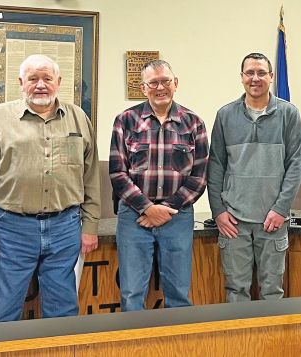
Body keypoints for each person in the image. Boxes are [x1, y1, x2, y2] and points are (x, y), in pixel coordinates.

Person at [0, 54, 100, 322]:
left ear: (58, 82)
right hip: (11, 228)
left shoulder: (78, 118)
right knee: (3, 311)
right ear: (21, 82)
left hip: (65, 226)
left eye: (47, 78)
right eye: (33, 79)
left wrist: (90, 226)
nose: (41, 84)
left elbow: (91, 177)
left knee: (63, 311)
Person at [109, 60, 208, 311]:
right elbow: (118, 173)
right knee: (131, 294)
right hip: (133, 217)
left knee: (178, 293)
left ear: (176, 84)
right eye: (153, 82)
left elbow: (199, 176)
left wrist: (165, 210)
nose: (160, 87)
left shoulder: (193, 123)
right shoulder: (125, 121)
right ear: (144, 88)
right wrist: (147, 209)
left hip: (178, 217)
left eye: (166, 81)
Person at [208, 53, 301, 302]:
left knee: (272, 291)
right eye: (250, 72)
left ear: (271, 77)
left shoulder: (288, 114)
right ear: (241, 78)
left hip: (273, 220)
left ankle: (271, 343)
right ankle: (240, 343)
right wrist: (218, 211)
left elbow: (296, 165)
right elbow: (216, 165)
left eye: (261, 72)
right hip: (234, 222)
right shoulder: (225, 115)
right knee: (236, 291)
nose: (255, 78)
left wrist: (281, 209)